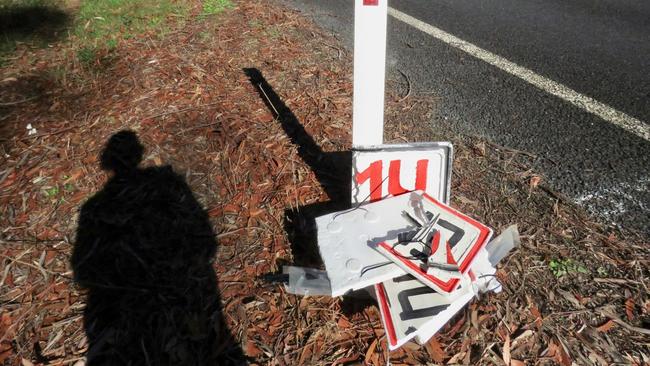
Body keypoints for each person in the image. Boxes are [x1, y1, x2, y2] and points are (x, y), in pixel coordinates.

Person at [71, 130, 245, 365]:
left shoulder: (94, 207)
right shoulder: (98, 206)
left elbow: (84, 273)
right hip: (163, 297)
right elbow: (205, 241)